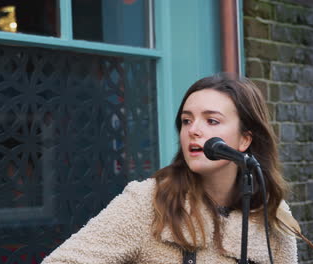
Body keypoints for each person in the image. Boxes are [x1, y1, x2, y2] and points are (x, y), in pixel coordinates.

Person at [42, 73, 298, 264]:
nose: (194, 130)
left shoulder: (273, 213)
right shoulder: (148, 201)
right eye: (187, 120)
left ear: (245, 139)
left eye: (211, 120)